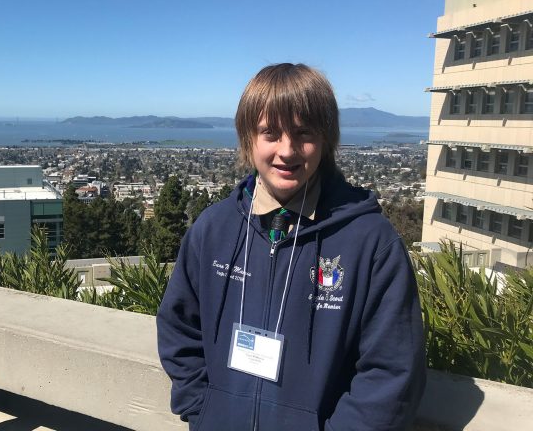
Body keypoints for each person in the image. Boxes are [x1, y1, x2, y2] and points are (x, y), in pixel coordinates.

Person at [156, 63, 426, 430]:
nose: (287, 150)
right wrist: (203, 409)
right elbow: (178, 327)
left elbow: (392, 371)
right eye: (270, 133)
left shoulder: (369, 243)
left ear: (326, 140)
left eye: (303, 133)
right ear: (247, 138)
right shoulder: (214, 230)